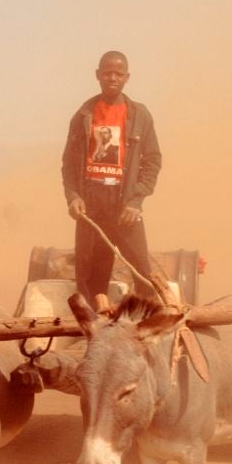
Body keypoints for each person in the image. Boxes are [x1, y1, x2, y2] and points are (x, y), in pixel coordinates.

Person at [61, 50, 161, 303]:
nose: (112, 78)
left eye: (118, 73)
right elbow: (69, 165)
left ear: (127, 77)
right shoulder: (84, 115)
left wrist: (136, 201)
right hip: (91, 207)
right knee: (90, 278)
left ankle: (145, 331)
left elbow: (152, 160)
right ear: (98, 75)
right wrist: (73, 197)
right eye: (107, 73)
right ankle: (94, 332)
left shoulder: (139, 115)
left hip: (124, 205)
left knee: (142, 272)